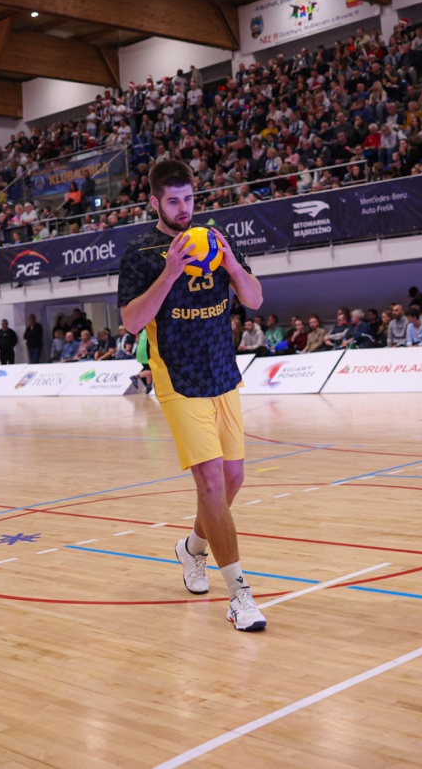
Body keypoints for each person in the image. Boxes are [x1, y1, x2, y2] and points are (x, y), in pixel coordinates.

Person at [117, 158, 267, 632]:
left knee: (233, 479)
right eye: (173, 201)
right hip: (178, 380)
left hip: (223, 373)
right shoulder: (141, 252)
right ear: (155, 203)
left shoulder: (218, 239)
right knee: (211, 484)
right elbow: (131, 322)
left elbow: (254, 298)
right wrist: (169, 273)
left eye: (189, 199)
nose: (184, 208)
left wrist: (231, 264)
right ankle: (240, 596)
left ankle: (192, 548)